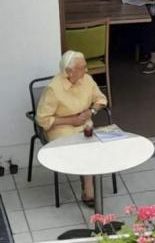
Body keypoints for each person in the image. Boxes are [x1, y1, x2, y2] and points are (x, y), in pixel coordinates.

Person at [36, 50, 108, 207]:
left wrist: (92, 110)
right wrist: (71, 120)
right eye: (82, 67)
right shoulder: (53, 89)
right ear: (69, 71)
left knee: (94, 146)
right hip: (61, 128)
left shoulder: (87, 80)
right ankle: (89, 189)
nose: (86, 70)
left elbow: (101, 99)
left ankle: (88, 185)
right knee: (83, 149)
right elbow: (42, 119)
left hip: (84, 124)